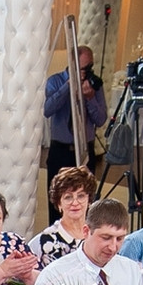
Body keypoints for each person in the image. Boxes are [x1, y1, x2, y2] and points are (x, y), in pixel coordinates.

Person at [43, 46, 108, 215]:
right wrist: (68, 87)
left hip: (85, 151)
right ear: (72, 64)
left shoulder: (94, 85)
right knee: (57, 202)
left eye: (90, 67)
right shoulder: (55, 81)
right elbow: (48, 109)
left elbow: (101, 119)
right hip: (61, 151)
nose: (87, 72)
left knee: (83, 203)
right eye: (84, 68)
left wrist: (90, 98)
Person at [35, 166, 95, 268]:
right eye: (68, 197)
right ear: (59, 203)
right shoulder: (44, 241)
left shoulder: (97, 235)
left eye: (81, 196)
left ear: (89, 200)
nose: (75, 203)